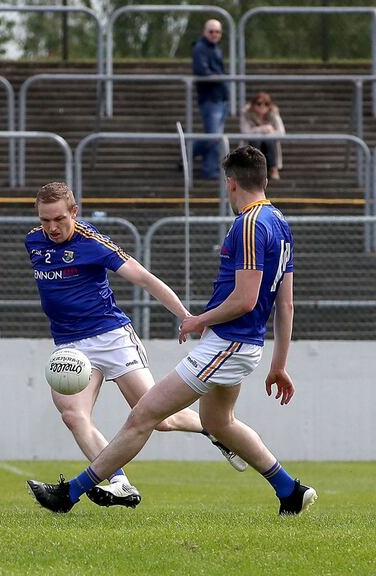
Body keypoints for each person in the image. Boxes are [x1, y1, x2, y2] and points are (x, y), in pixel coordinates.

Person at [27, 147, 316, 516]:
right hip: (236, 344)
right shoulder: (279, 222)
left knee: (143, 416)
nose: (51, 227)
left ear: (230, 183)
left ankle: (68, 495)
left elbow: (246, 299)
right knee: (218, 423)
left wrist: (197, 319)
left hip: (229, 343)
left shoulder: (249, 223)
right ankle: (289, 490)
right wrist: (279, 364)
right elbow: (286, 303)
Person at [23, 182, 246, 508]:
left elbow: (143, 277)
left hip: (112, 337)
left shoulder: (92, 242)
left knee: (162, 419)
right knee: (73, 415)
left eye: (59, 219)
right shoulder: (33, 241)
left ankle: (214, 429)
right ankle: (120, 483)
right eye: (45, 220)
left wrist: (186, 316)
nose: (52, 227)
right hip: (70, 346)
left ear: (74, 212)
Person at [191, 19, 229, 180]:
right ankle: (187, 152)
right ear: (204, 32)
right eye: (211, 31)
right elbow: (202, 71)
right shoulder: (200, 48)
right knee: (213, 136)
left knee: (216, 137)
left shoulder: (216, 48)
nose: (214, 34)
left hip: (220, 97)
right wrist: (222, 78)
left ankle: (209, 170)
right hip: (210, 99)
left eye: (218, 32)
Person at [240, 91, 285, 180]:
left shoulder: (273, 113)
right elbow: (245, 132)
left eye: (266, 104)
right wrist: (264, 129)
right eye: (259, 103)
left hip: (269, 146)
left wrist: (268, 134)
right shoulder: (246, 113)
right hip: (252, 145)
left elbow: (281, 132)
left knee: (269, 141)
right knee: (256, 140)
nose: (262, 107)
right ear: (253, 104)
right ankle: (255, 169)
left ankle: (273, 169)